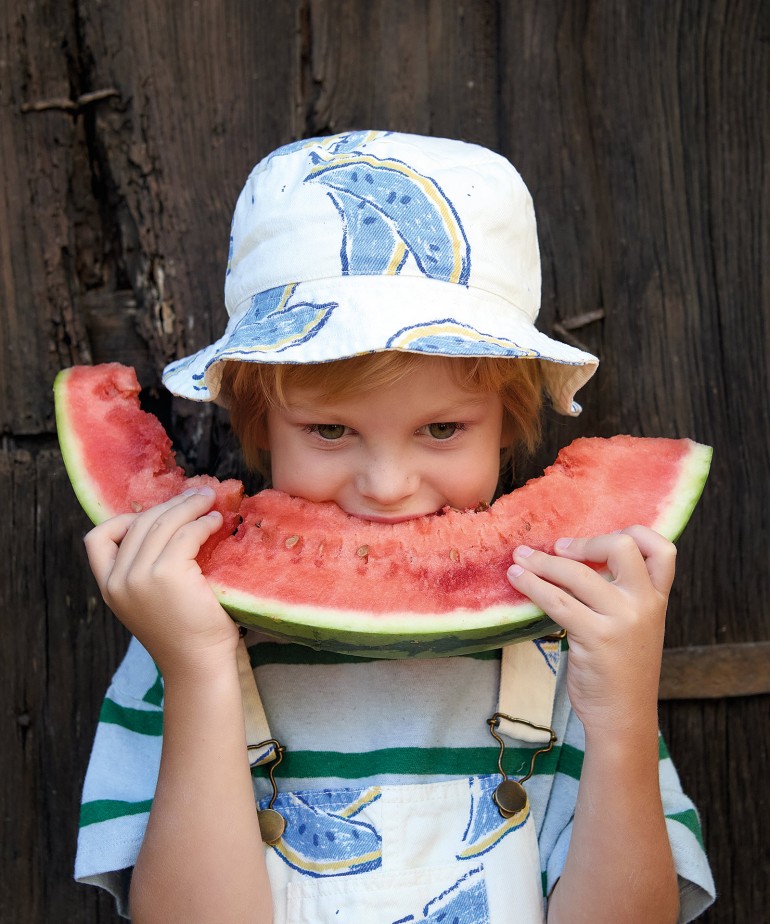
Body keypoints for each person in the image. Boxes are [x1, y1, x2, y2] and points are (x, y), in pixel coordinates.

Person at [74, 131, 715, 922]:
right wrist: (201, 671)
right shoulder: (175, 635)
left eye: (443, 430)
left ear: (507, 429)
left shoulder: (572, 653)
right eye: (331, 432)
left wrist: (620, 715)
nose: (388, 488)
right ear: (261, 425)